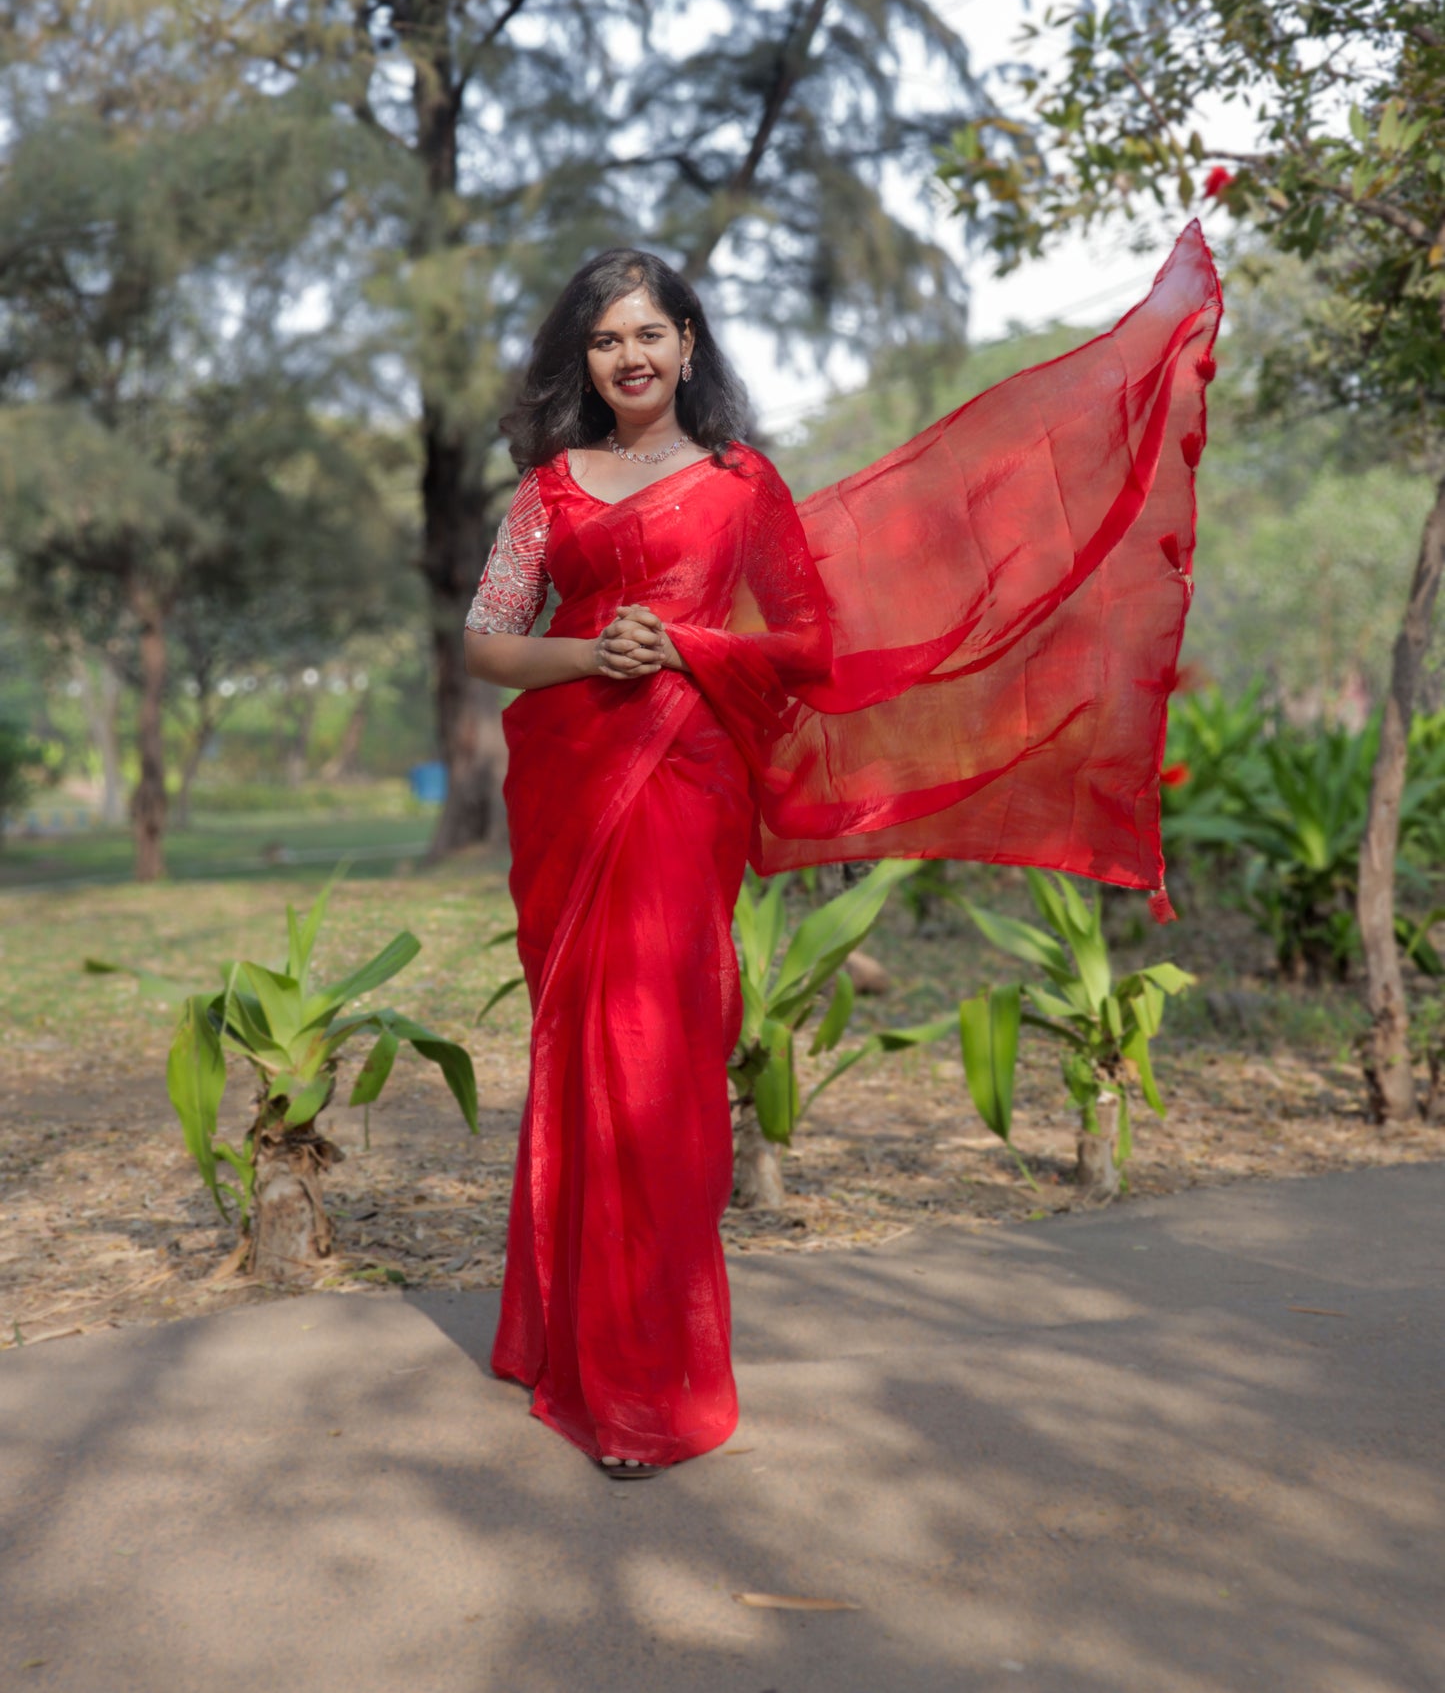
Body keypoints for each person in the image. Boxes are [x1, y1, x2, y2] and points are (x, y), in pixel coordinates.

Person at [464, 230, 1222, 1478]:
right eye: (604, 339)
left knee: (654, 1061)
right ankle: (564, 1333)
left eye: (649, 331)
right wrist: (590, 654)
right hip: (576, 782)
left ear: (687, 342)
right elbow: (492, 639)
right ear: (582, 359)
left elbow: (808, 642)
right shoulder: (548, 489)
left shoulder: (742, 485)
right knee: (580, 1049)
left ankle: (649, 1381)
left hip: (685, 782)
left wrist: (696, 649)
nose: (628, 355)